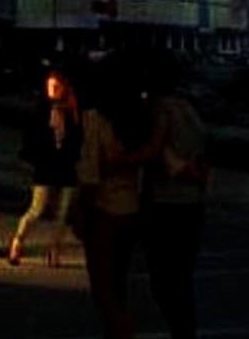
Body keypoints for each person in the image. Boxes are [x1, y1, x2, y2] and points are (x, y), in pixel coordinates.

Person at [77, 53, 154, 339]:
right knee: (118, 284)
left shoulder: (95, 119)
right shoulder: (141, 118)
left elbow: (90, 176)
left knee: (104, 291)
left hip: (103, 211)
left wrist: (80, 214)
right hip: (131, 208)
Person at [141, 54, 209, 339]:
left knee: (164, 279)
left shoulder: (158, 110)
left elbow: (159, 155)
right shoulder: (190, 109)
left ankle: (181, 330)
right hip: (191, 202)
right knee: (182, 277)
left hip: (165, 201)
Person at [8, 68, 82, 266]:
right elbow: (32, 138)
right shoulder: (41, 110)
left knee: (63, 213)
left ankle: (54, 249)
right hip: (46, 167)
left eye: (57, 87)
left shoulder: (71, 109)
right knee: (37, 208)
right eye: (50, 87)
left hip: (66, 166)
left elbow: (78, 138)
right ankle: (18, 241)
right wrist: (36, 157)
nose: (53, 91)